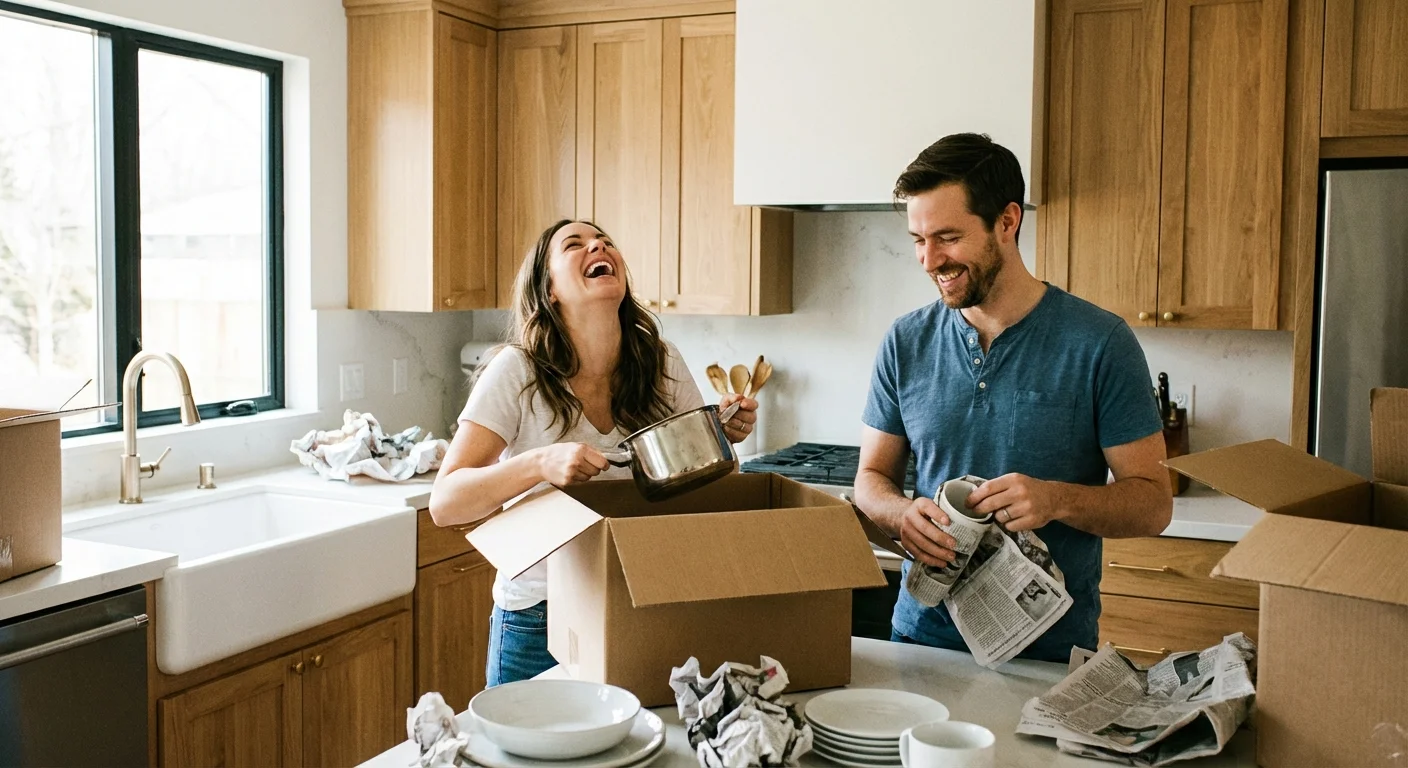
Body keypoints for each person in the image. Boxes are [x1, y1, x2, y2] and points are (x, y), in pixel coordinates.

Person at [855, 133, 1172, 662]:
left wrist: (1057, 499)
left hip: (1044, 654)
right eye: (918, 239)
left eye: (948, 238)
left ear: (1006, 221)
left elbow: (1154, 503)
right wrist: (899, 513)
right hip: (919, 641)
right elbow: (870, 479)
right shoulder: (905, 341)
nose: (929, 260)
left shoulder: (1100, 343)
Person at [428, 219, 758, 686]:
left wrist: (724, 435)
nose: (599, 245)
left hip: (641, 598)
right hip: (538, 616)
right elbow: (445, 503)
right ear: (550, 289)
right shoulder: (516, 370)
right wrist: (539, 463)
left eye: (605, 241)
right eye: (574, 244)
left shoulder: (661, 362)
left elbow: (714, 485)